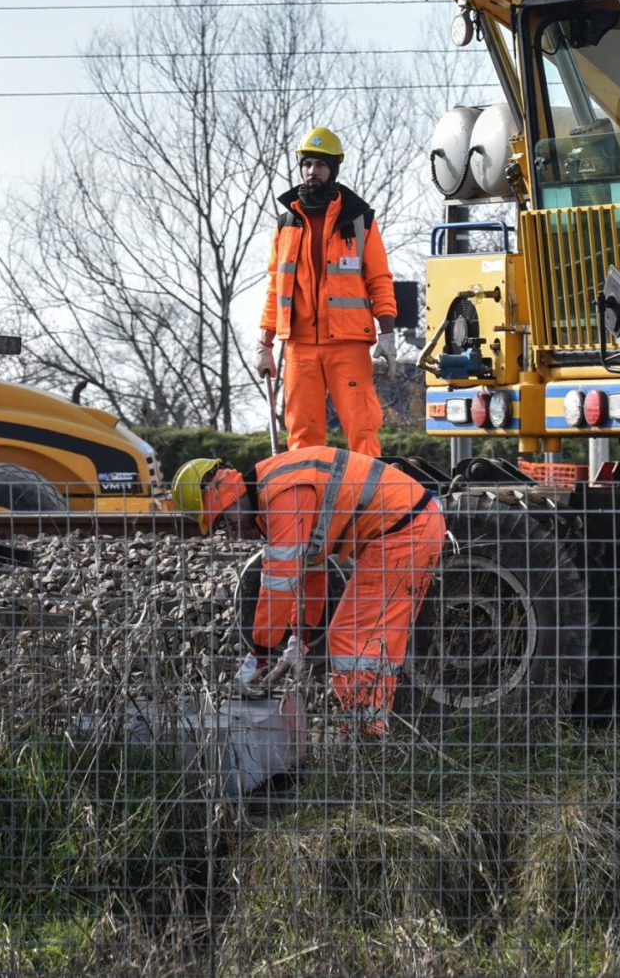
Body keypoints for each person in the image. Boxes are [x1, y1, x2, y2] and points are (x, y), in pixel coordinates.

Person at [172, 448, 445, 732]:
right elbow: (311, 571)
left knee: (353, 637)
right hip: (407, 527)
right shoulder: (274, 493)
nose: (231, 533)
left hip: (406, 531)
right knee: (364, 637)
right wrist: (299, 637)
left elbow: (280, 581)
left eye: (225, 522)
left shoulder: (282, 493)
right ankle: (367, 727)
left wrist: (260, 653)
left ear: (227, 496)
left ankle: (366, 732)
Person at [257, 127, 396, 455]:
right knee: (302, 434)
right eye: (307, 164)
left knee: (362, 427)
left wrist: (387, 332)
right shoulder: (286, 223)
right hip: (299, 347)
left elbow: (379, 279)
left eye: (320, 165)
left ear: (333, 169)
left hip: (348, 344)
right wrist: (264, 342)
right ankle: (305, 502)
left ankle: (368, 502)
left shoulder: (359, 221)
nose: (312, 171)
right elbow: (275, 286)